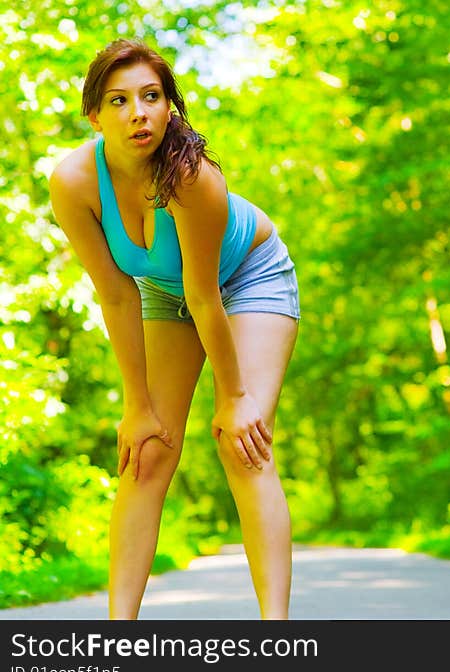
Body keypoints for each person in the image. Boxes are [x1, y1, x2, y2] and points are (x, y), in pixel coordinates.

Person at [48, 38, 300, 620]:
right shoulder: (73, 183)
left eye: (151, 96)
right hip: (165, 293)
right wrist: (137, 405)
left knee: (244, 445)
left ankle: (276, 635)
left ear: (169, 108)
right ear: (95, 114)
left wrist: (234, 399)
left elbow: (205, 294)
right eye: (118, 100)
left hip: (247, 280)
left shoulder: (193, 177)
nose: (137, 112)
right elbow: (115, 294)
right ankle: (118, 638)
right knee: (149, 449)